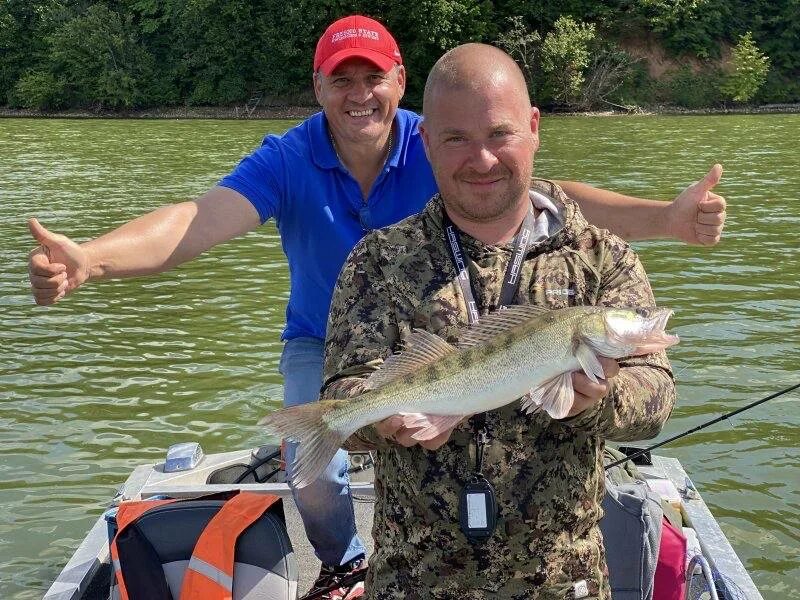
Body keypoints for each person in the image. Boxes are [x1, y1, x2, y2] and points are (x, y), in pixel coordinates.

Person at [26, 15, 720, 600]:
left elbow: (541, 189)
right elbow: (197, 219)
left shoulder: (463, 146)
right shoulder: (293, 165)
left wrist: (665, 220)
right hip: (333, 352)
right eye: (342, 79)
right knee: (315, 464)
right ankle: (343, 561)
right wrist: (94, 259)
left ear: (399, 86)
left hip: (550, 553)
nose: (478, 156)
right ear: (320, 87)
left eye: (373, 78)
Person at [320, 43, 678, 599]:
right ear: (426, 142)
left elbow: (656, 397)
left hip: (563, 582)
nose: (481, 159)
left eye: (499, 134)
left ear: (533, 128)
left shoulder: (602, 257)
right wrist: (378, 420)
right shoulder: (376, 262)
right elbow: (344, 386)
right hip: (416, 581)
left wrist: (596, 400)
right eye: (457, 138)